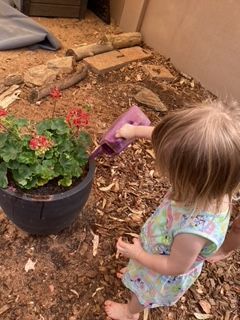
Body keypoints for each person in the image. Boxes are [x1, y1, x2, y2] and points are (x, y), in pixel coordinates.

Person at [104, 101, 240, 320]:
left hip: (160, 274)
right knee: (139, 276)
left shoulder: (193, 232)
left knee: (142, 294)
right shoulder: (215, 182)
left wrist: (138, 255)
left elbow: (174, 266)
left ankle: (129, 313)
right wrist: (134, 131)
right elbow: (169, 138)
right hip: (158, 250)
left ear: (190, 177)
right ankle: (135, 276)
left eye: (171, 168)